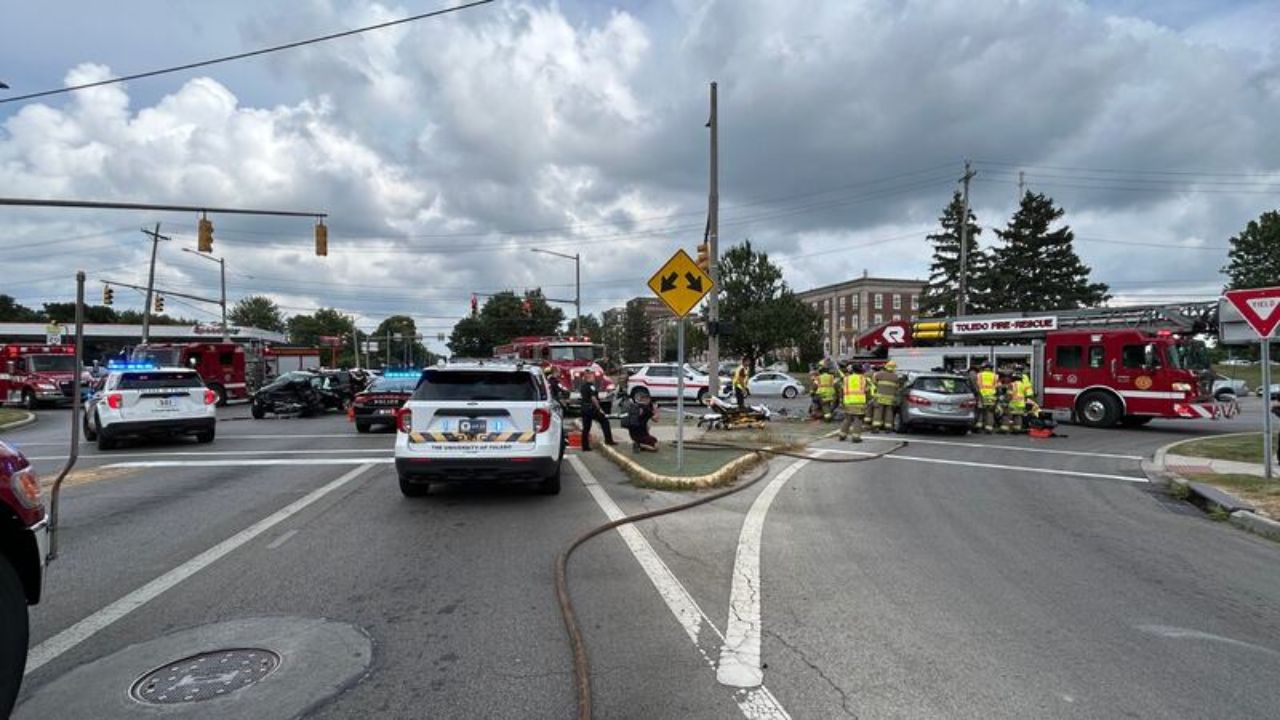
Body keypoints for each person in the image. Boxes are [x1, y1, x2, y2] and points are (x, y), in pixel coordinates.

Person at [579, 371, 617, 451]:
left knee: (586, 428)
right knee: (604, 421)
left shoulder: (582, 386)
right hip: (591, 408)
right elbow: (593, 398)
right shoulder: (591, 386)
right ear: (589, 378)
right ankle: (608, 440)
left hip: (584, 408)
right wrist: (599, 408)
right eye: (592, 377)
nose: (594, 378)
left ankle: (585, 446)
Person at [838, 363, 869, 442]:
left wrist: (841, 400)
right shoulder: (864, 379)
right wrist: (868, 401)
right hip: (859, 402)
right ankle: (856, 437)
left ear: (852, 370)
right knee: (857, 419)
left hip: (848, 401)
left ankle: (842, 435)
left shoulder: (846, 378)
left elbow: (841, 390)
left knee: (847, 418)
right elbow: (868, 391)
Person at [871, 360, 901, 432]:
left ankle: (876, 427)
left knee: (878, 411)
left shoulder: (880, 374)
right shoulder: (896, 377)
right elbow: (897, 388)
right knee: (889, 412)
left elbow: (874, 382)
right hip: (890, 398)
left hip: (880, 397)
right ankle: (888, 427)